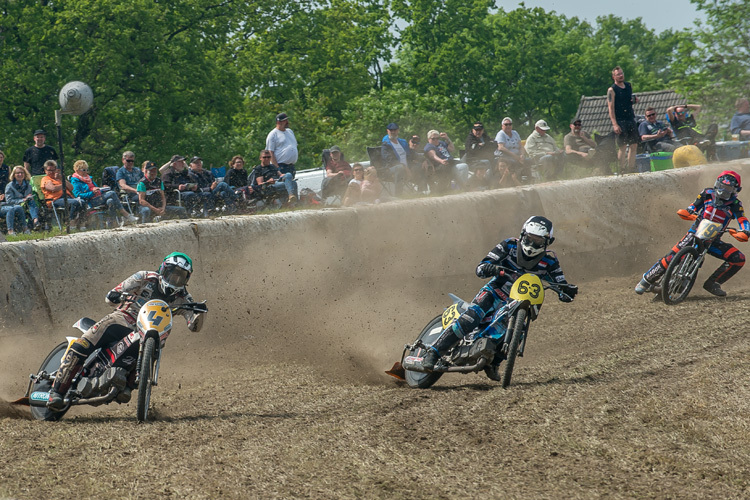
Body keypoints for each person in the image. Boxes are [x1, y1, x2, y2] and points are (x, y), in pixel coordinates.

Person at [421, 216, 578, 379]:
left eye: (537, 241)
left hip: (517, 301)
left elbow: (561, 282)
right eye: (529, 239)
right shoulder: (509, 245)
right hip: (495, 291)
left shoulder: (550, 261)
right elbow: (481, 267)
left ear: (548, 242)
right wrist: (491, 268)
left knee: (521, 330)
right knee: (472, 317)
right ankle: (433, 352)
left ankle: (494, 363)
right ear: (523, 235)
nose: (532, 245)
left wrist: (567, 291)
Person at [47, 252, 207, 410]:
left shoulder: (184, 297)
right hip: (121, 319)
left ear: (186, 280)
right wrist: (116, 295)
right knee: (83, 344)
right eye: (171, 273)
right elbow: (112, 296)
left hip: (150, 333)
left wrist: (199, 314)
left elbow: (193, 325)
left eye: (180, 276)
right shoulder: (145, 277)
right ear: (162, 269)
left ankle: (128, 385)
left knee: (154, 350)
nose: (174, 279)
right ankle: (56, 392)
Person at [635, 171, 750, 297]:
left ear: (735, 190)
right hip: (695, 233)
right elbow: (693, 206)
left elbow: (742, 219)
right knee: (673, 254)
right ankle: (646, 280)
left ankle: (713, 283)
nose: (723, 190)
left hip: (713, 241)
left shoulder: (735, 205)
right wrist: (689, 211)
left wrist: (745, 230)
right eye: (721, 186)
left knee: (738, 258)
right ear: (716, 183)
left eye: (727, 188)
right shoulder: (707, 193)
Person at [71, 160, 138, 226]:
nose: (86, 172)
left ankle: (113, 223)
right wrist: (92, 193)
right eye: (84, 170)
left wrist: (101, 190)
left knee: (110, 201)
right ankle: (126, 215)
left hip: (98, 197)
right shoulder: (75, 181)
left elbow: (96, 189)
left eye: (87, 169)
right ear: (77, 170)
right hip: (89, 201)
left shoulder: (88, 178)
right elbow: (78, 195)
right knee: (112, 193)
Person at [607, 66, 638, 174]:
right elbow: (610, 108)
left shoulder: (629, 86)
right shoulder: (612, 90)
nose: (621, 76)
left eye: (621, 73)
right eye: (618, 74)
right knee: (623, 146)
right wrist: (615, 124)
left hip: (630, 117)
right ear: (613, 76)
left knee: (634, 144)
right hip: (620, 120)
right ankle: (621, 169)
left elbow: (628, 100)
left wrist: (634, 101)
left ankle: (631, 168)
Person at [40, 160, 86, 230]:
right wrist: (63, 185)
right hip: (55, 200)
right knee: (74, 203)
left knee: (82, 202)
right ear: (45, 170)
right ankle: (70, 224)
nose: (51, 172)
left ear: (56, 169)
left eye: (53, 170)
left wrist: (62, 179)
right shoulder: (46, 179)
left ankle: (81, 224)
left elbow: (71, 188)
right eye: (49, 170)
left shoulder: (59, 178)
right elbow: (52, 188)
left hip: (67, 198)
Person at [3, 166, 39, 234]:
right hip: (15, 205)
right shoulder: (10, 186)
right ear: (14, 175)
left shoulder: (28, 185)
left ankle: (35, 220)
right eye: (18, 173)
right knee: (21, 206)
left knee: (32, 201)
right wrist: (23, 200)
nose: (20, 174)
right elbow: (9, 201)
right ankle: (34, 222)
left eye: (22, 173)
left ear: (25, 174)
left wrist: (29, 197)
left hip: (27, 205)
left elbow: (29, 195)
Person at [494, 117, 528, 186]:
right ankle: (513, 180)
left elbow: (521, 146)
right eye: (506, 124)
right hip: (505, 156)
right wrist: (515, 156)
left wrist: (522, 155)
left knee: (528, 160)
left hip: (517, 156)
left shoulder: (515, 133)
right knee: (513, 162)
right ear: (502, 126)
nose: (508, 126)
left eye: (510, 124)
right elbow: (501, 147)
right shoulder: (501, 134)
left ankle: (528, 180)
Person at [380, 122, 412, 196]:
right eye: (391, 130)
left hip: (407, 167)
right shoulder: (386, 144)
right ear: (387, 131)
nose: (393, 132)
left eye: (395, 130)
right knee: (399, 168)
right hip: (390, 169)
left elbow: (411, 154)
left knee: (420, 165)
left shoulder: (402, 142)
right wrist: (404, 167)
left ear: (398, 131)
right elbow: (389, 159)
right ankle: (398, 195)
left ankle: (422, 191)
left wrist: (424, 160)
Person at [266, 112, 298, 178]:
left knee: (292, 185)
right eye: (284, 121)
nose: (287, 122)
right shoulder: (273, 134)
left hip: (291, 166)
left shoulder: (290, 131)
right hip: (281, 167)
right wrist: (277, 169)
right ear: (278, 122)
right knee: (284, 186)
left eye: (287, 120)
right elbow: (270, 152)